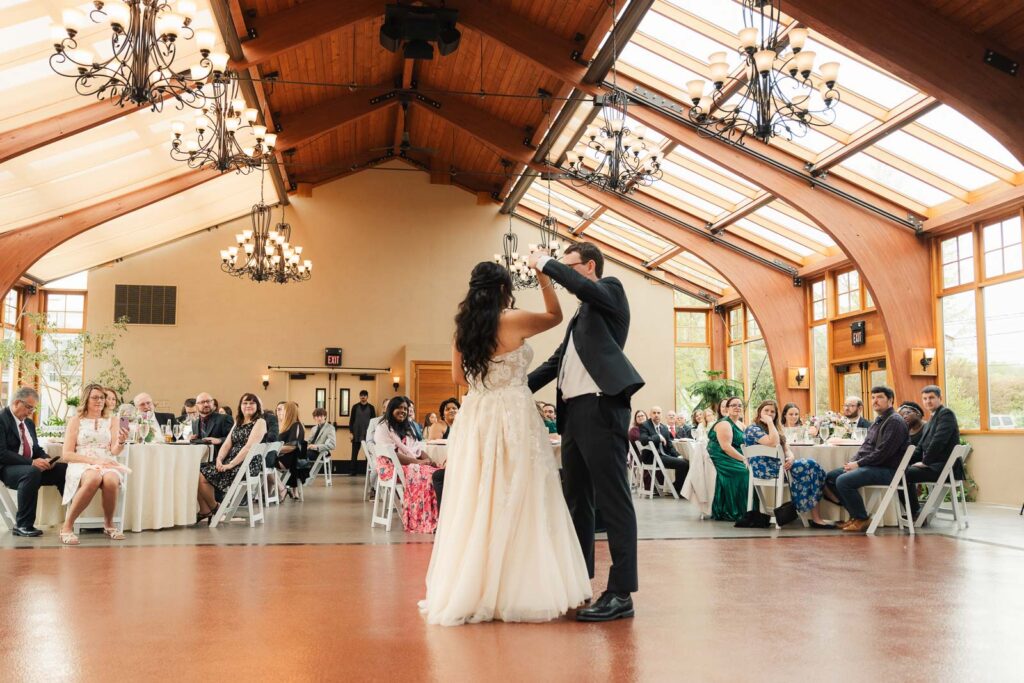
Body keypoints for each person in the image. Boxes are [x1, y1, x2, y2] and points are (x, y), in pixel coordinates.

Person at [421, 259, 591, 626]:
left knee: (480, 493)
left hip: (478, 414)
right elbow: (555, 316)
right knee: (523, 491)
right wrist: (544, 277)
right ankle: (520, 586)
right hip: (513, 411)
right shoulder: (511, 319)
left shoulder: (462, 331)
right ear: (503, 288)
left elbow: (457, 376)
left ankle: (475, 586)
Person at [526, 241, 643, 623]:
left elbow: (584, 288)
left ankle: (621, 592)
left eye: (569, 266)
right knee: (577, 498)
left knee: (613, 499)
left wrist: (544, 262)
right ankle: (579, 580)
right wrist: (514, 388)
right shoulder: (582, 317)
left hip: (601, 407)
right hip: (573, 413)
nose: (564, 274)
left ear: (589, 266)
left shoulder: (610, 290)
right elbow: (557, 362)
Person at [823, 386, 910, 533]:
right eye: (873, 397)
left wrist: (858, 463)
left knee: (843, 480)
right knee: (831, 477)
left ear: (890, 400)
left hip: (889, 470)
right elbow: (866, 447)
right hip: (875, 466)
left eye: (880, 397)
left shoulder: (894, 421)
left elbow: (883, 453)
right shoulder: (879, 420)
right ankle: (855, 516)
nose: (875, 401)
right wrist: (852, 462)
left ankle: (862, 518)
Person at [59, 383, 130, 545]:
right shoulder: (76, 421)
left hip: (107, 461)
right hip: (82, 461)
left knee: (111, 480)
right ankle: (67, 526)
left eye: (102, 397)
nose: (99, 400)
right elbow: (67, 454)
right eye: (95, 397)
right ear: (86, 399)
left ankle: (109, 524)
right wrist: (94, 461)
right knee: (93, 478)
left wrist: (121, 442)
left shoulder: (113, 420)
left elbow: (114, 450)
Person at [744, 400, 832, 528]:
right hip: (766, 470)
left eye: (772, 411)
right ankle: (822, 506)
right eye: (766, 411)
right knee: (812, 466)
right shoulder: (753, 428)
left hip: (781, 468)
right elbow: (773, 442)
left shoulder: (775, 429)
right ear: (759, 413)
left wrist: (791, 458)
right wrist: (769, 422)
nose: (769, 414)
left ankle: (817, 514)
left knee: (812, 467)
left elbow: (786, 449)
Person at [0, 387, 68, 537]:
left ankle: (71, 520)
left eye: (34, 408)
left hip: (30, 469)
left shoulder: (29, 424)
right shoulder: (1, 419)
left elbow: (35, 448)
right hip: (7, 469)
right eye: (29, 407)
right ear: (17, 402)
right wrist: (31, 462)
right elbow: (2, 453)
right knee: (31, 472)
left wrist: (46, 458)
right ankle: (23, 525)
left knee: (63, 469)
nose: (31, 411)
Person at [196, 393, 268, 523]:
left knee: (202, 475)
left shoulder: (260, 422)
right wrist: (219, 459)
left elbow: (248, 447)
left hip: (246, 465)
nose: (248, 406)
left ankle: (214, 508)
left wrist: (231, 464)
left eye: (252, 403)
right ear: (240, 406)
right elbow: (227, 444)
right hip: (232, 461)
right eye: (245, 403)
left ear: (258, 406)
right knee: (196, 471)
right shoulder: (238, 422)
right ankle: (207, 510)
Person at [374, 396, 438, 533]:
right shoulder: (383, 427)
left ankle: (437, 517)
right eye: (399, 408)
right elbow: (393, 455)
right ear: (391, 409)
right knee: (427, 475)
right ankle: (423, 519)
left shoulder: (406, 427)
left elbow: (417, 450)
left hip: (405, 464)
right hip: (390, 467)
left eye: (405, 408)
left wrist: (430, 460)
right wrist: (419, 463)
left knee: (437, 472)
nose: (403, 411)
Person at [905, 386, 961, 518]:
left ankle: (915, 513)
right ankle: (913, 511)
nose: (928, 401)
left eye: (931, 398)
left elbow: (939, 442)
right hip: (936, 466)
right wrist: (901, 461)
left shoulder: (946, 414)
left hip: (945, 468)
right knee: (899, 470)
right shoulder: (932, 418)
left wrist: (925, 462)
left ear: (940, 398)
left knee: (902, 474)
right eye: (925, 399)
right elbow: (920, 448)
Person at [707, 397, 748, 521]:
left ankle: (754, 509)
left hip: (735, 455)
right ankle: (736, 510)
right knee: (745, 472)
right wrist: (744, 459)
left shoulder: (741, 424)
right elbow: (726, 447)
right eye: (733, 405)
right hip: (722, 456)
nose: (737, 407)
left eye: (740, 405)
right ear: (727, 408)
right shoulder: (724, 423)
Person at [639, 406, 689, 495]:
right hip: (651, 457)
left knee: (684, 461)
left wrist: (678, 455)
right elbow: (643, 440)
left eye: (658, 413)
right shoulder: (645, 425)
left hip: (662, 456)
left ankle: (677, 487)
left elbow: (669, 446)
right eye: (654, 413)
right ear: (650, 414)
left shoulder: (664, 428)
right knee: (684, 464)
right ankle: (678, 489)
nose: (656, 415)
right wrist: (658, 437)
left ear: (661, 415)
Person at [273, 401, 306, 499]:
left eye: (283, 410)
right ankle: (268, 493)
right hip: (288, 458)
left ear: (289, 412)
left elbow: (292, 446)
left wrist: (274, 449)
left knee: (264, 464)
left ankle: (281, 489)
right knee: (264, 463)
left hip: (289, 460)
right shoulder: (291, 425)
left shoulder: (297, 425)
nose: (281, 412)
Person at [348, 390, 376, 476]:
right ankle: (353, 471)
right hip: (356, 433)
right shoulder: (355, 407)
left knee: (368, 454)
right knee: (354, 454)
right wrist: (351, 432)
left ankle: (369, 471)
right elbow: (351, 420)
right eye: (361, 395)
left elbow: (373, 421)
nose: (363, 397)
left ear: (367, 397)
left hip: (367, 434)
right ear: (359, 396)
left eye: (364, 395)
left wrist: (373, 434)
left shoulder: (371, 407)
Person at [306, 407, 336, 482]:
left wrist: (316, 447)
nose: (319, 418)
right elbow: (309, 441)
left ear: (325, 416)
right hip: (311, 450)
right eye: (317, 416)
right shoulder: (314, 428)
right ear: (314, 418)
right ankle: (300, 475)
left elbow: (332, 445)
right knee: (298, 453)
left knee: (303, 455)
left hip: (321, 452)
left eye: (321, 416)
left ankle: (303, 476)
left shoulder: (330, 428)